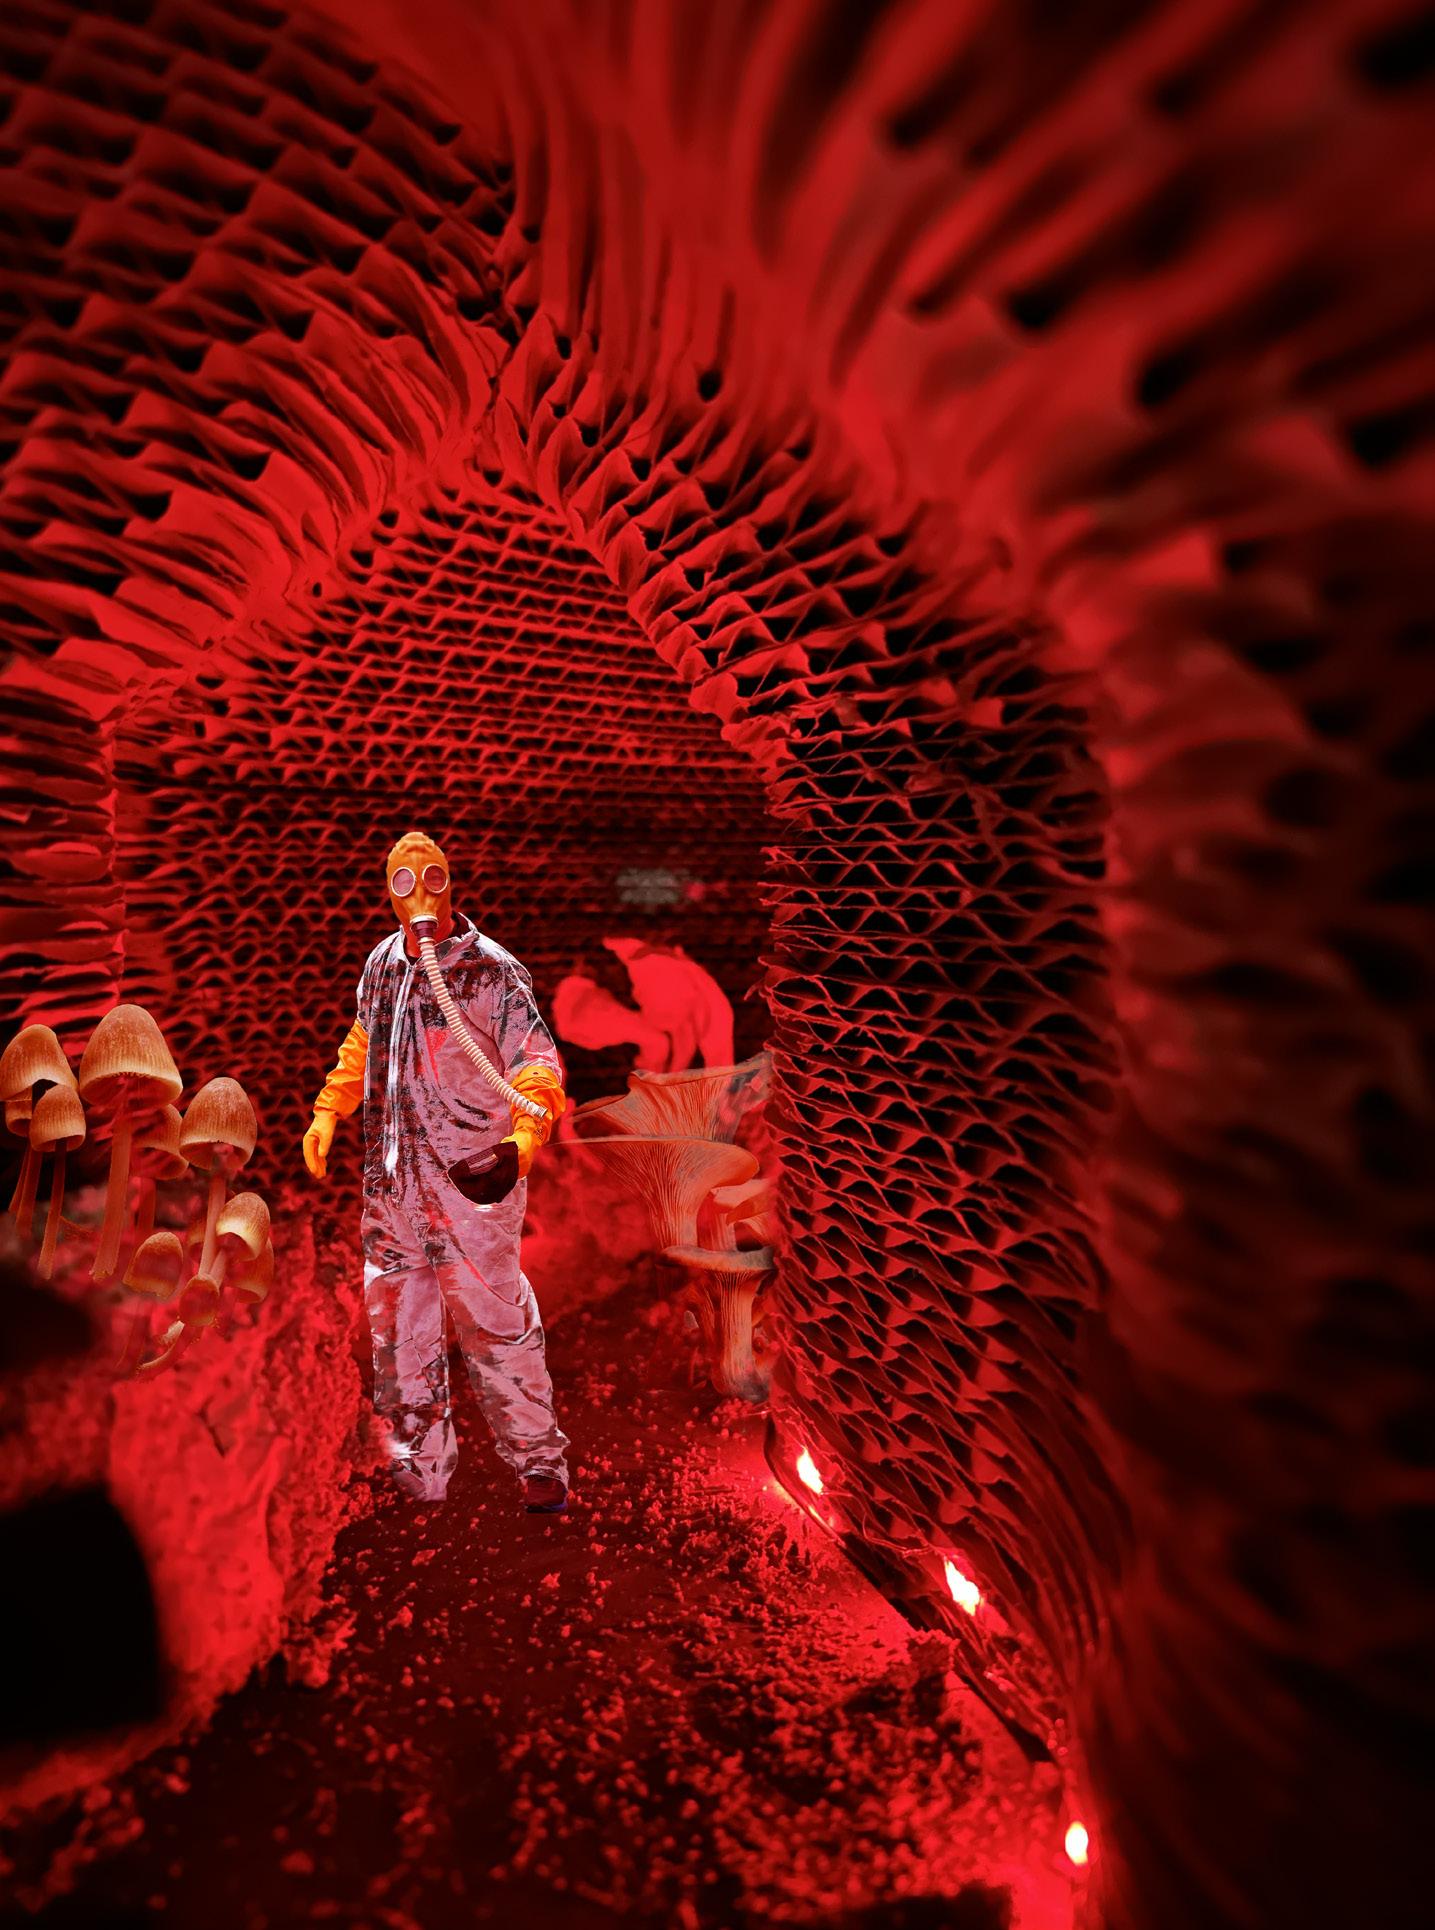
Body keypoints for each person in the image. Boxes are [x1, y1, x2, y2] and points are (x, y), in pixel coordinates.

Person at [302, 832, 570, 1513]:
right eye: (403, 881)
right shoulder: (382, 964)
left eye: (432, 877)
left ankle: (539, 1461)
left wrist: (525, 1136)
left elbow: (534, 1058)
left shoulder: (490, 972)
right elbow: (362, 1039)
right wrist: (329, 1109)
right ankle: (418, 1466)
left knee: (496, 1319)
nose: (419, 893)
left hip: (472, 1180)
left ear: (451, 883)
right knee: (399, 1329)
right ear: (388, 892)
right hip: (394, 1186)